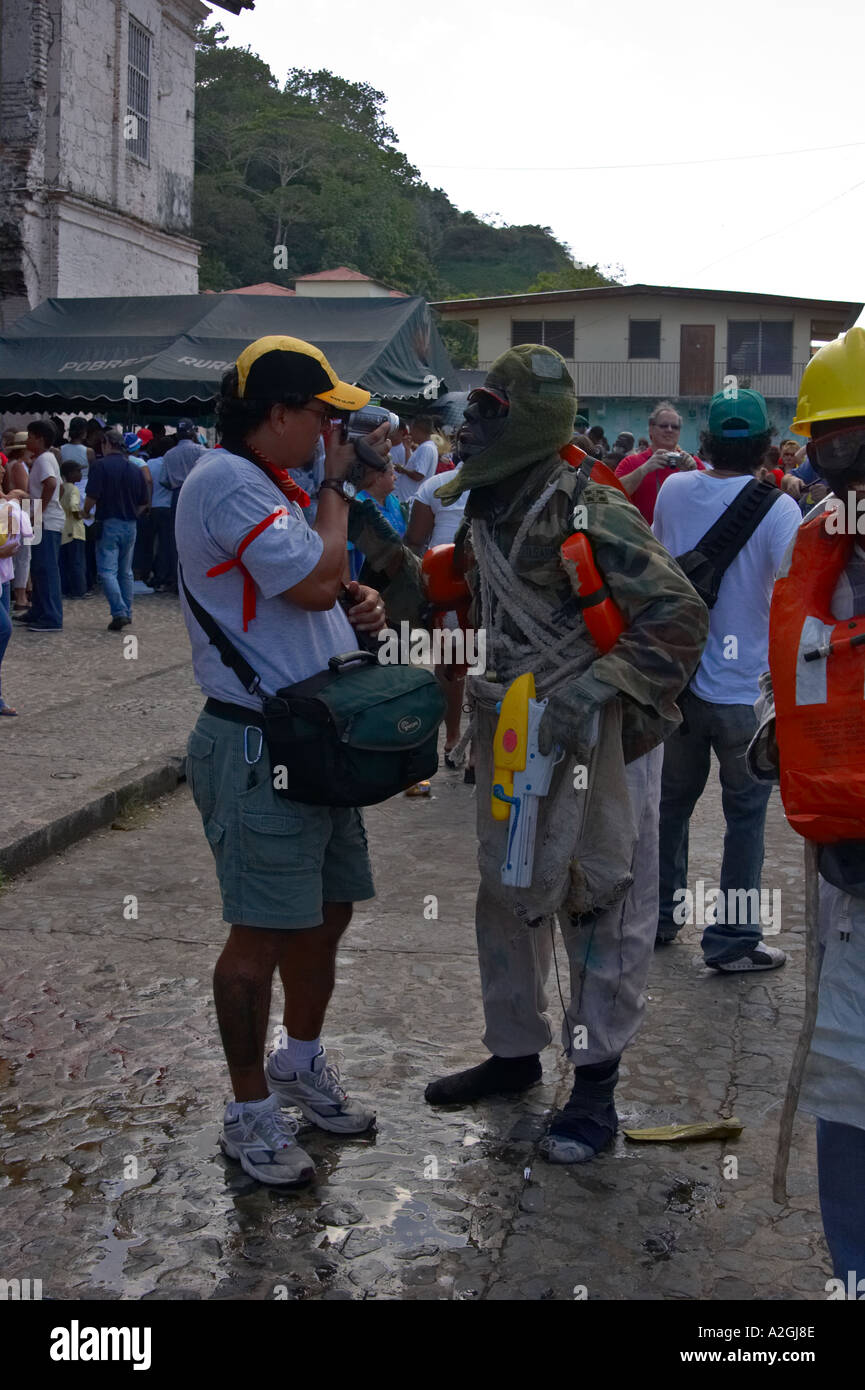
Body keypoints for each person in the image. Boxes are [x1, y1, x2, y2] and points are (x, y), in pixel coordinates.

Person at [424, 345, 709, 1164]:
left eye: (486, 413)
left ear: (525, 421)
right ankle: (514, 1052)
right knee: (506, 893)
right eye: (470, 413)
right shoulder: (487, 507)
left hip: (601, 738)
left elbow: (678, 613)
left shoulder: (589, 507)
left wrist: (604, 682)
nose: (467, 429)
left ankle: (593, 1092)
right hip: (513, 729)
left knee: (601, 899)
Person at [176, 335, 391, 1187]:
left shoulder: (270, 486)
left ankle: (299, 1062)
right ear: (276, 414)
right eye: (324, 415)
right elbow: (302, 581)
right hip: (258, 739)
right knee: (258, 932)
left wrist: (355, 604)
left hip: (312, 735)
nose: (335, 430)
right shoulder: (225, 481)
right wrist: (337, 493)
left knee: (328, 910)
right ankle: (248, 1110)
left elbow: (308, 593)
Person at [749, 326, 865, 1285]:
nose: (835, 461)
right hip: (847, 866)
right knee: (848, 1082)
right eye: (829, 443)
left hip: (848, 864)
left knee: (850, 1081)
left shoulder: (818, 535)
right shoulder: (819, 541)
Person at [652, 389, 801, 965]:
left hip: (679, 684)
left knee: (670, 808)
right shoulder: (781, 508)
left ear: (705, 442)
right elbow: (790, 593)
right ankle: (734, 941)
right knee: (745, 818)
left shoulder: (672, 489)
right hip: (744, 693)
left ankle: (660, 916)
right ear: (766, 446)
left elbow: (664, 571)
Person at [406, 459, 468, 766]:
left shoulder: (435, 485)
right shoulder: (513, 478)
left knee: (452, 664)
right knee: (494, 663)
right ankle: (480, 750)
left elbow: (416, 537)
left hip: (446, 585)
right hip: (495, 579)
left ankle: (454, 736)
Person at [84, 428, 148, 631]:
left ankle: (119, 611)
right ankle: (127, 612)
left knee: (106, 571)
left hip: (108, 522)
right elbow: (144, 502)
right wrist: (132, 514)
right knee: (125, 572)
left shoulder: (100, 466)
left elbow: (92, 496)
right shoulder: (135, 469)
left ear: (106, 443)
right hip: (130, 524)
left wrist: (85, 513)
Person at [614, 402, 702, 524]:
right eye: (664, 426)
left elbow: (711, 502)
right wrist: (643, 470)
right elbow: (612, 495)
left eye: (675, 427)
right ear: (651, 428)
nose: (669, 430)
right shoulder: (631, 462)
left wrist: (694, 474)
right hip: (641, 539)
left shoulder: (693, 463)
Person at [20, 420, 64, 632]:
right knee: (39, 567)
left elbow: (52, 484)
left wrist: (39, 512)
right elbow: (59, 488)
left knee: (46, 569)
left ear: (39, 438)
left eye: (29, 436)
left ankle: (51, 616)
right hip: (45, 520)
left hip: (45, 522)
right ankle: (38, 610)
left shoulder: (44, 459)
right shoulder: (45, 459)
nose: (27, 440)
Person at [0, 493, 33, 714]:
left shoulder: (7, 504)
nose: (3, 471)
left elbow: (32, 533)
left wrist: (19, 507)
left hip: (3, 578)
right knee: (4, 628)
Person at [394, 415, 438, 505]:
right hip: (407, 498)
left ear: (418, 430)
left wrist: (402, 470)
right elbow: (414, 468)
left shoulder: (426, 448)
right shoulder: (426, 446)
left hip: (410, 500)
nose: (410, 434)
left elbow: (419, 475)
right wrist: (407, 449)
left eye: (412, 430)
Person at [59, 460, 87, 598]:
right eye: (78, 471)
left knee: (64, 562)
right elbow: (73, 505)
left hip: (64, 530)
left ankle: (65, 589)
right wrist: (80, 516)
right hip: (75, 530)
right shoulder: (73, 489)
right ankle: (79, 590)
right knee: (78, 562)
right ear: (70, 474)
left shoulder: (61, 487)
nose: (80, 474)